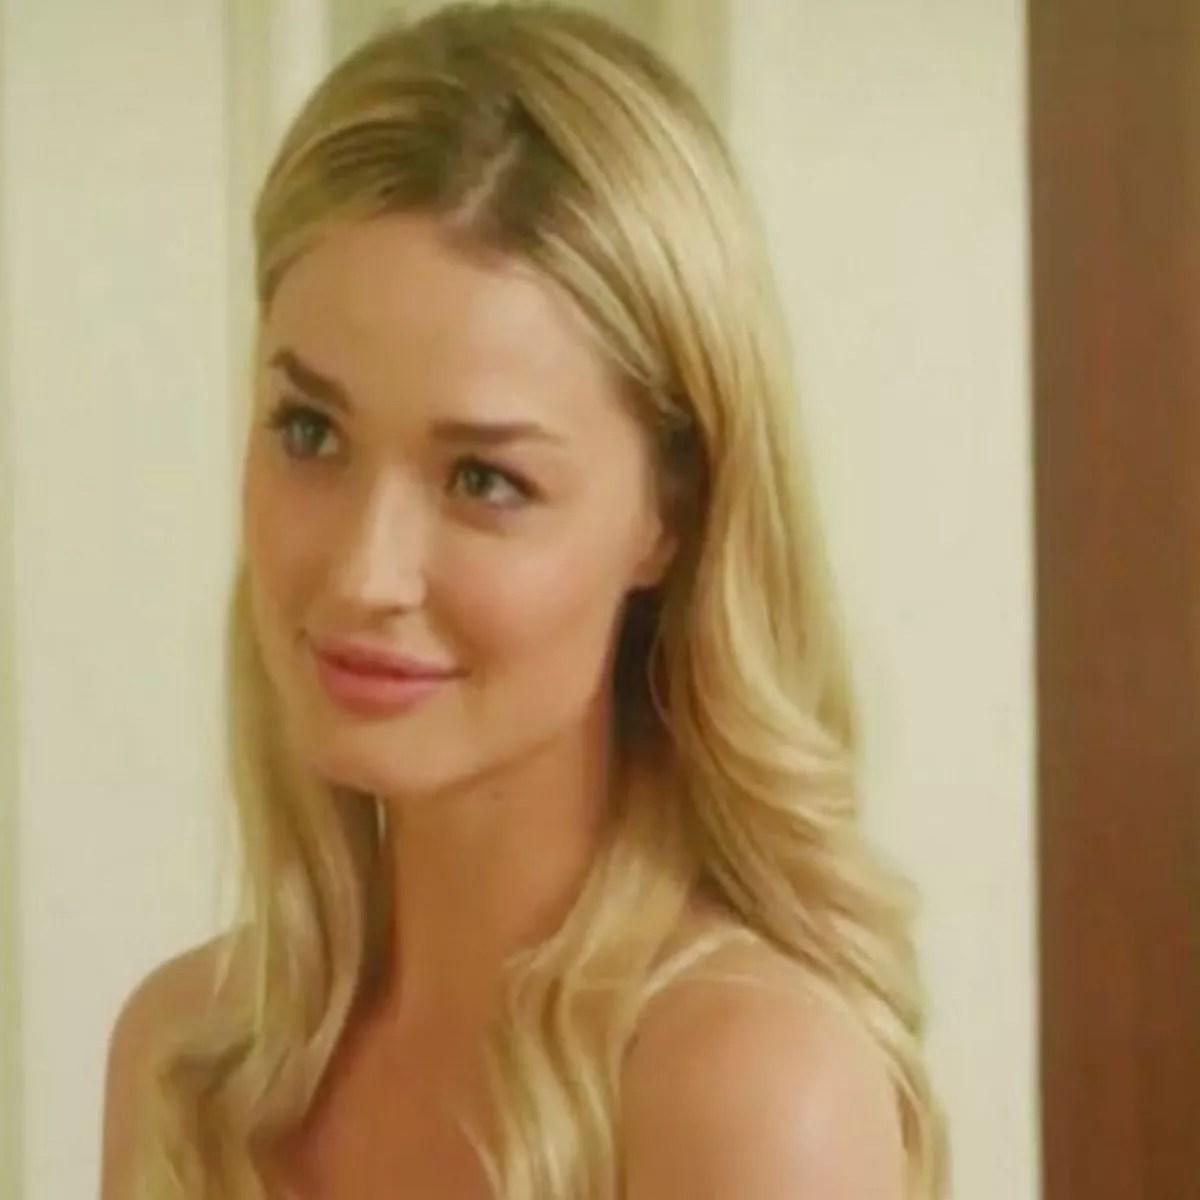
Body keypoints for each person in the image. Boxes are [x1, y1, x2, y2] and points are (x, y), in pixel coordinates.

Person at [99, 3, 948, 1197]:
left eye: (485, 480)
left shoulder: (749, 1090)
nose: (363, 573)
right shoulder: (190, 1065)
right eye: (311, 431)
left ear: (670, 513)